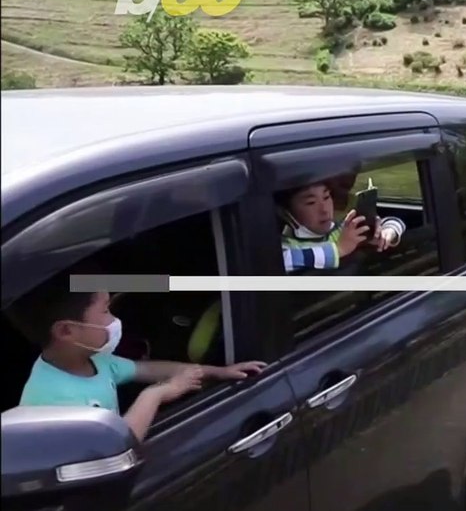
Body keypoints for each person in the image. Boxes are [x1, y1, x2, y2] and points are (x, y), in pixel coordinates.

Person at [15, 288, 267, 441]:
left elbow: (149, 369)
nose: (114, 320)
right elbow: (118, 445)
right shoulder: (51, 403)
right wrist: (155, 394)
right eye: (105, 311)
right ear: (67, 331)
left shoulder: (95, 360)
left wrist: (219, 372)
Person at [278, 178, 405, 273]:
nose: (324, 209)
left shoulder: (343, 230)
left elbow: (396, 222)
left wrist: (386, 233)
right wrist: (339, 250)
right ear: (288, 212)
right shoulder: (285, 246)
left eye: (326, 197)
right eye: (311, 202)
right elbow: (281, 262)